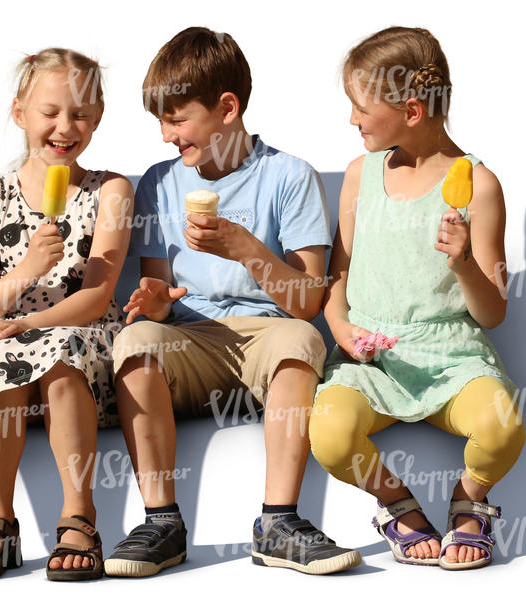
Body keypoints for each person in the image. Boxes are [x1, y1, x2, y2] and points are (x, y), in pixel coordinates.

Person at [105, 26, 360, 577]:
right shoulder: (159, 183)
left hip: (266, 336)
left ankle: (279, 523)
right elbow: (161, 295)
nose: (167, 135)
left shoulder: (288, 177)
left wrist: (246, 249)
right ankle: (161, 522)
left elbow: (307, 301)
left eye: (176, 119)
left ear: (227, 107)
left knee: (301, 338)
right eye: (161, 121)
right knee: (133, 340)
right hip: (191, 340)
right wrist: (154, 303)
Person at [308, 26, 526, 570]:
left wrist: (463, 263)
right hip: (373, 358)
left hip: (450, 356)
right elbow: (339, 275)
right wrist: (340, 329)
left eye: (359, 107)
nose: (351, 120)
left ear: (409, 110)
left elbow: (493, 311)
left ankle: (470, 501)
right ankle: (396, 503)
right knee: (331, 438)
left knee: (502, 425)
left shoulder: (478, 184)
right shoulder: (362, 175)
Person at [0, 48, 132, 581]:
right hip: (8, 343)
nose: (64, 127)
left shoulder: (111, 190)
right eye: (50, 112)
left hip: (82, 337)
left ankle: (79, 514)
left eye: (79, 114)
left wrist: (30, 322)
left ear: (97, 119)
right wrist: (26, 272)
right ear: (19, 113)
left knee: (60, 349)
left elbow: (97, 298)